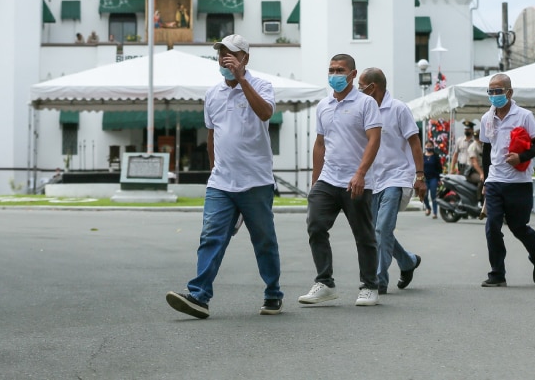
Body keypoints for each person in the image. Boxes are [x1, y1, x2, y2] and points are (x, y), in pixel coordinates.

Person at [166, 34, 283, 318]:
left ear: (245, 58)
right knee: (211, 237)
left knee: (264, 240)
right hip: (221, 182)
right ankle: (199, 296)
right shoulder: (212, 94)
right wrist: (214, 169)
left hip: (256, 181)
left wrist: (243, 80)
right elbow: (212, 135)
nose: (224, 59)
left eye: (230, 54)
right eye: (220, 54)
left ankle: (273, 293)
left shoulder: (261, 85)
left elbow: (266, 113)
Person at [299, 54, 382, 306]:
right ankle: (325, 283)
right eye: (331, 70)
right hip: (328, 179)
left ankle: (369, 286)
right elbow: (320, 144)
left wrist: (360, 173)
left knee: (363, 235)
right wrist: (315, 180)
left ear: (353, 74)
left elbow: (374, 139)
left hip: (357, 181)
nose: (335, 75)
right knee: (315, 226)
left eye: (340, 70)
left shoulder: (366, 104)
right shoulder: (323, 105)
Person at [358, 68, 426, 294]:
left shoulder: (398, 108)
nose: (359, 90)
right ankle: (407, 262)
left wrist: (420, 176)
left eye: (361, 85)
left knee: (382, 228)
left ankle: (378, 280)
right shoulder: (364, 110)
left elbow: (415, 142)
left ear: (372, 87)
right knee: (379, 231)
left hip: (396, 177)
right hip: (373, 180)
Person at [479, 73, 535, 287]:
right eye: (490, 91)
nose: (494, 95)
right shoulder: (486, 118)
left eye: (498, 91)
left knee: (519, 227)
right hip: (495, 181)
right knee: (492, 226)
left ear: (509, 92)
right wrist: (485, 180)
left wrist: (521, 157)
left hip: (519, 182)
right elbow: (486, 151)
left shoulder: (524, 116)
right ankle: (497, 273)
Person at [421, 141, 443, 218]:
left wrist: (439, 179)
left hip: (434, 178)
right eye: (427, 146)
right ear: (425, 146)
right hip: (425, 179)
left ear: (433, 147)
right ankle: (428, 207)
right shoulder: (422, 156)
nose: (429, 147)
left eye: (430, 146)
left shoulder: (436, 156)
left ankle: (435, 212)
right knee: (424, 195)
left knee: (433, 195)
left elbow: (439, 169)